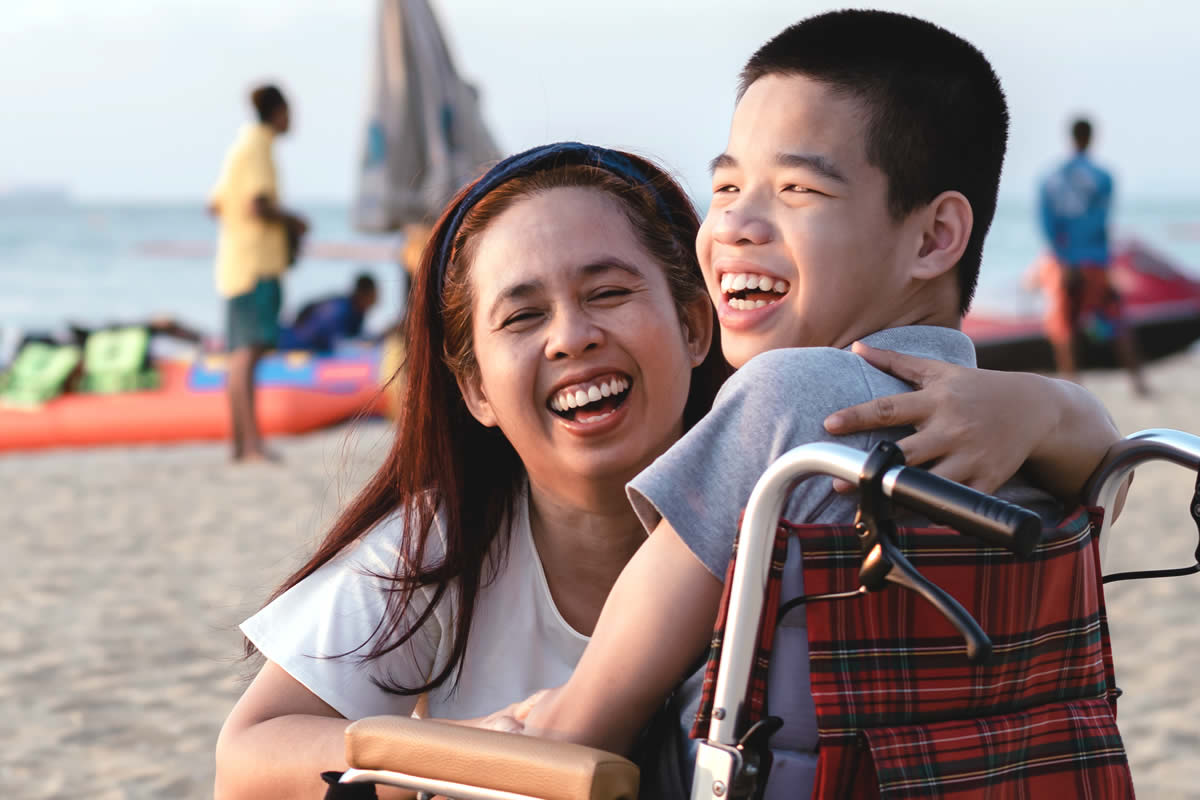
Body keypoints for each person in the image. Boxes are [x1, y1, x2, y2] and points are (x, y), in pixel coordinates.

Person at [213, 143, 1119, 800]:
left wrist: (1042, 405)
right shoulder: (444, 543)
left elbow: (1095, 463)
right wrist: (447, 756)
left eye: (609, 293)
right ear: (475, 388)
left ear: (694, 325)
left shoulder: (790, 491)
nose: (573, 336)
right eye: (522, 318)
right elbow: (247, 755)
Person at [515, 12, 1123, 799]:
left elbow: (580, 732)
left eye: (798, 190)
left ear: (936, 237)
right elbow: (1113, 451)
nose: (733, 224)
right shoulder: (1030, 435)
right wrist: (1055, 406)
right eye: (727, 185)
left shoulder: (794, 402)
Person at [209, 83, 309, 462]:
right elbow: (257, 204)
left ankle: (240, 443)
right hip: (256, 265)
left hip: (236, 262)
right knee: (247, 354)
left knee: (240, 352)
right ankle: (250, 443)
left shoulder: (240, 146)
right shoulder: (259, 146)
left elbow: (216, 204)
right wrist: (294, 222)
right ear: (277, 111)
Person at [1039, 116, 1148, 393]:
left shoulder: (1051, 178)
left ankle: (1072, 385)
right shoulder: (1103, 177)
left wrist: (1064, 258)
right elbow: (1101, 222)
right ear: (1091, 138)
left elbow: (1047, 223)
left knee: (1065, 326)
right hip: (1095, 261)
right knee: (1115, 320)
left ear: (1070, 137)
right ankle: (1138, 383)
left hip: (1066, 262)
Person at [278, 274, 379, 352]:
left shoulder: (355, 312)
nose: (376, 300)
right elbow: (337, 344)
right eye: (374, 295)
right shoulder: (339, 310)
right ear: (363, 294)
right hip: (290, 345)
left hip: (303, 347)